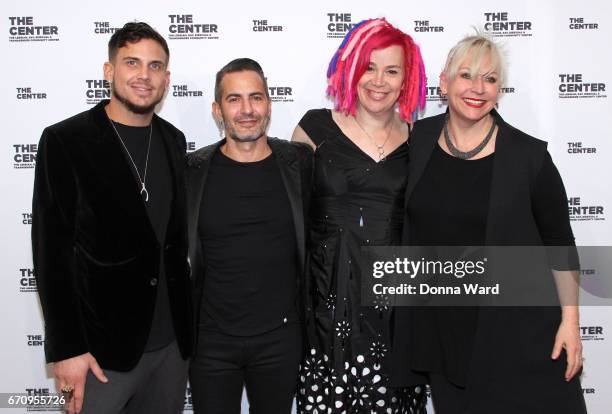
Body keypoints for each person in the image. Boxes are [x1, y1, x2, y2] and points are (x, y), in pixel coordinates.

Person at [391, 34, 587, 414]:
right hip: (444, 335)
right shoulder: (419, 140)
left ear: (500, 89)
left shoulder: (529, 158)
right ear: (444, 82)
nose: (478, 89)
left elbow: (560, 243)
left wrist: (571, 323)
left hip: (521, 333)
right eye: (467, 75)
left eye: (490, 79)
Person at [31, 22, 192, 414]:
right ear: (109, 71)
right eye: (132, 63)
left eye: (155, 67)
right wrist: (67, 350)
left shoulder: (173, 139)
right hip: (98, 356)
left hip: (171, 349)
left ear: (166, 78)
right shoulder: (65, 141)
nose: (143, 75)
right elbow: (51, 255)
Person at [292, 18, 428, 413]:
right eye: (369, 67)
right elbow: (287, 217)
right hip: (324, 306)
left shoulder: (421, 140)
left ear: (407, 79)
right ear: (351, 68)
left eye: (391, 70)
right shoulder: (313, 128)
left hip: (394, 313)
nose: (379, 81)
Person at [186, 58, 313, 414]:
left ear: (269, 104)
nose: (246, 110)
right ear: (217, 109)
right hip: (210, 342)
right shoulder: (192, 170)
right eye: (234, 99)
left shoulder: (299, 164)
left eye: (256, 97)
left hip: (280, 339)